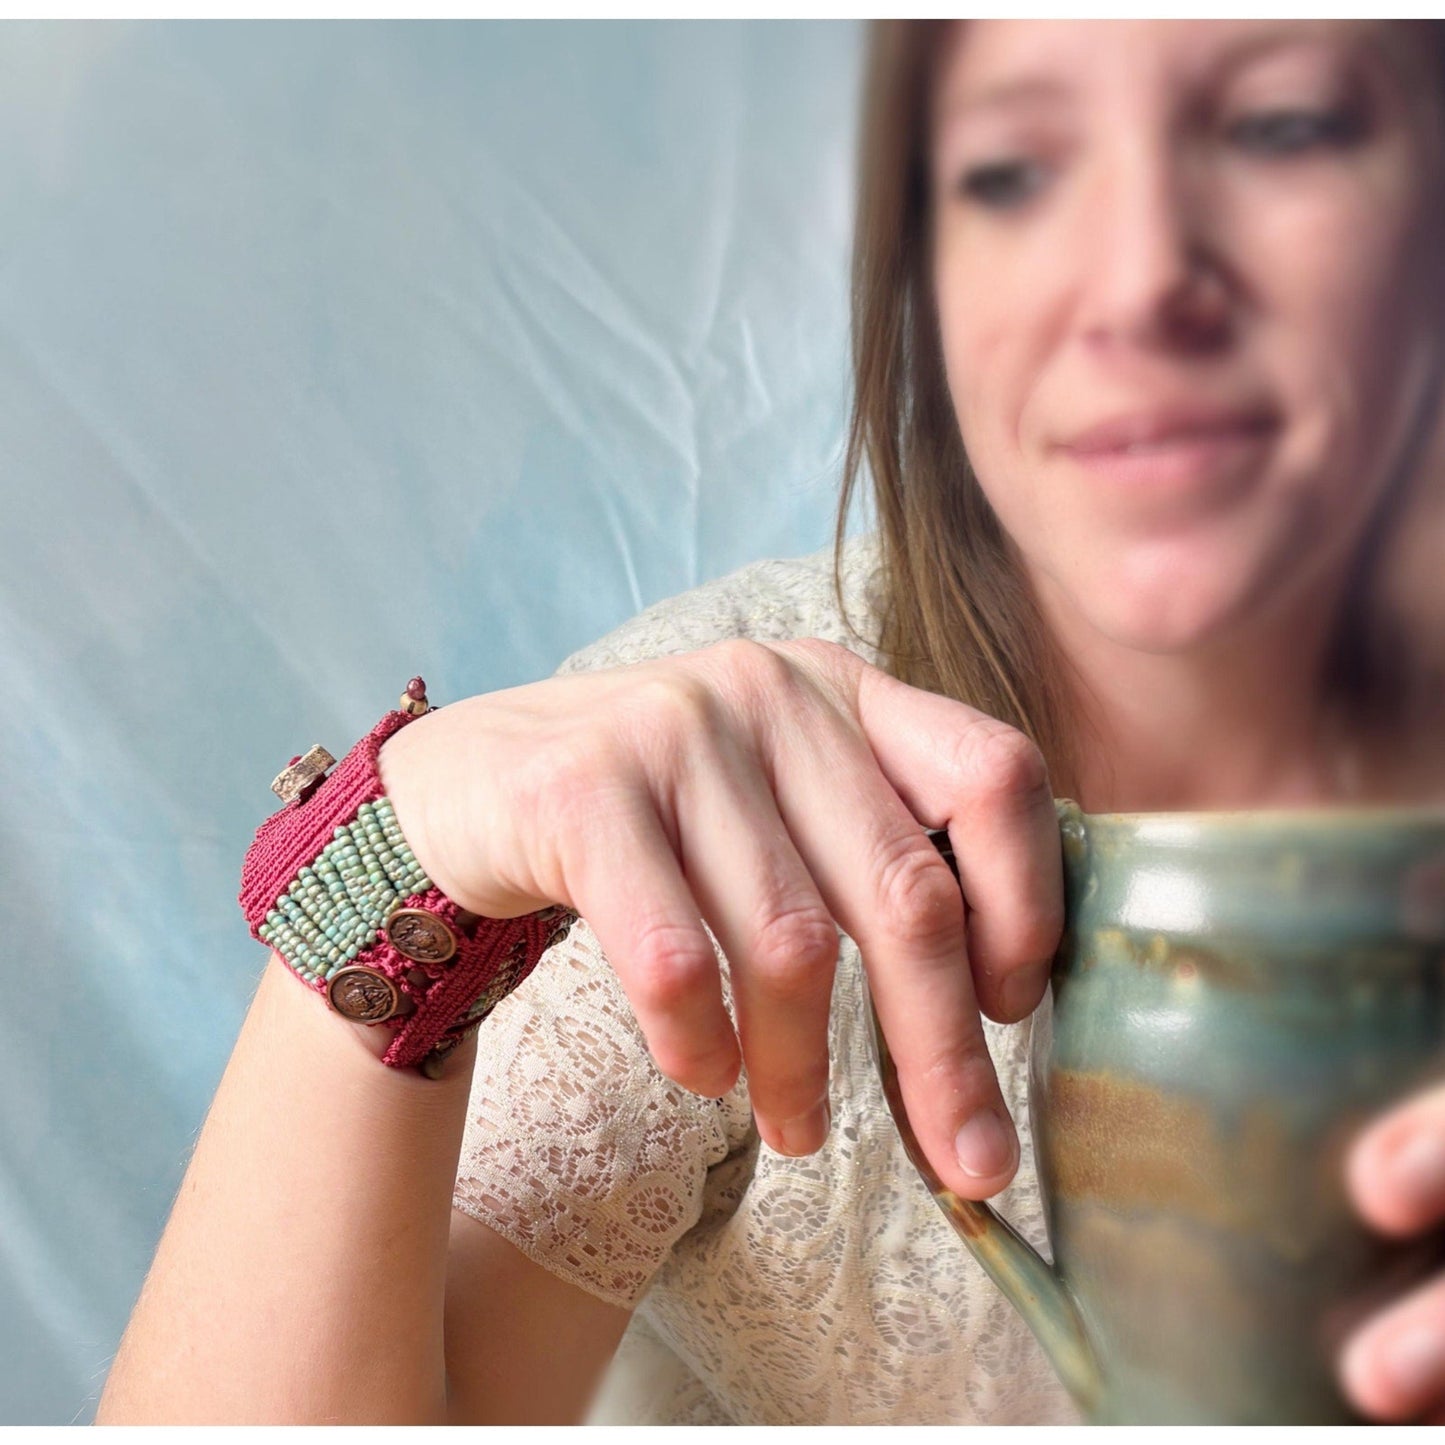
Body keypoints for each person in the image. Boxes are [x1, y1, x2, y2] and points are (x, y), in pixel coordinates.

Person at [97, 18, 1445, 1426]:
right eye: (1011, 169)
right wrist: (397, 860)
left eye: (1283, 128)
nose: (1140, 278)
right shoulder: (699, 779)